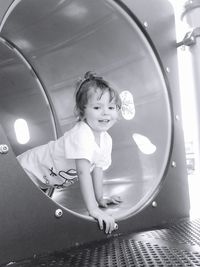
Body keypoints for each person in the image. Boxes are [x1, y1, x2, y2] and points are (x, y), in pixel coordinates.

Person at [17, 71, 122, 234]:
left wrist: (100, 199)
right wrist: (93, 209)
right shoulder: (82, 134)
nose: (106, 113)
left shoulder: (106, 140)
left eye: (111, 107)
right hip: (25, 170)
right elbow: (83, 172)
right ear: (82, 111)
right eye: (97, 107)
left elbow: (98, 169)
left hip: (40, 182)